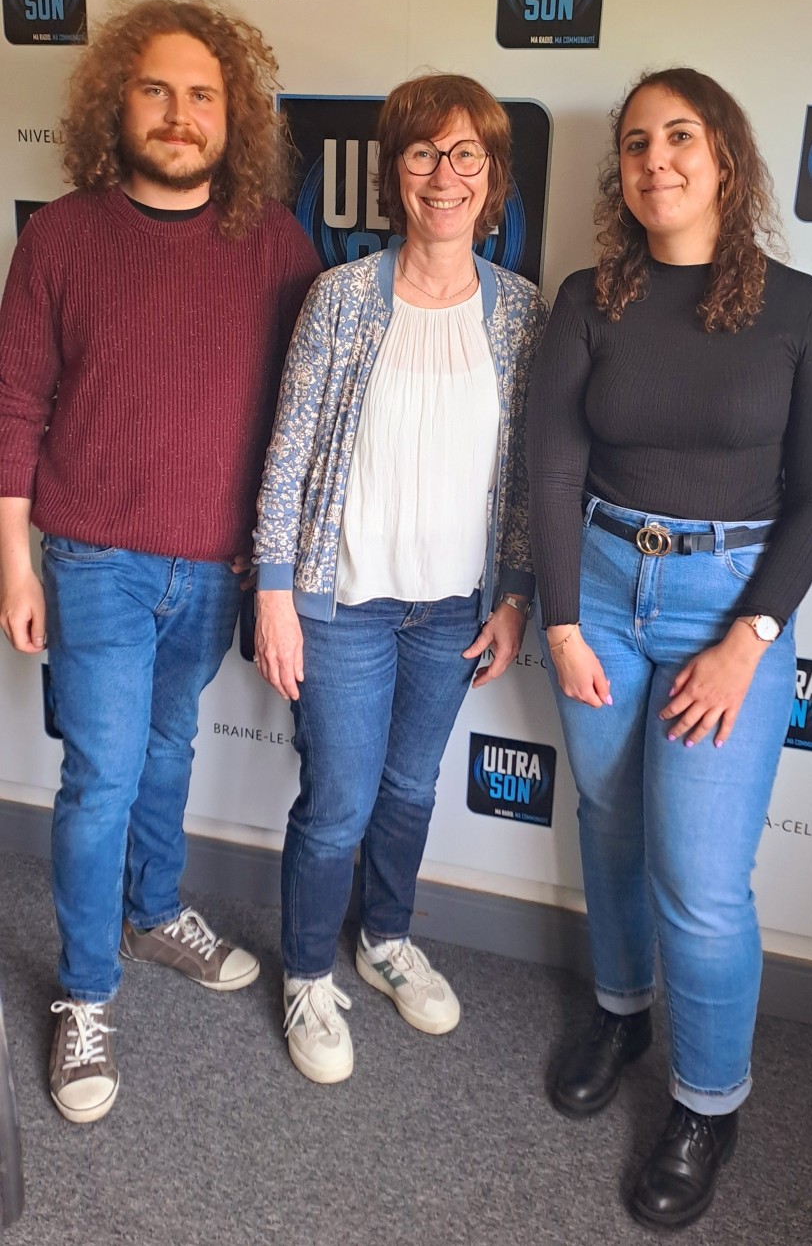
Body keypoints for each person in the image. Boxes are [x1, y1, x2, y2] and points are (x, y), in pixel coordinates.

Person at [527, 68, 812, 1229]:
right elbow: (551, 470)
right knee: (609, 824)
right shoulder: (587, 298)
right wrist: (560, 621)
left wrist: (745, 640)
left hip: (731, 605)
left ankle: (707, 1101)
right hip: (600, 591)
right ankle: (620, 1010)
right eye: (634, 143)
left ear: (723, 157)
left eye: (679, 137)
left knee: (702, 883)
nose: (654, 160)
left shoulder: (799, 308)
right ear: (617, 171)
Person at [0, 0, 321, 1123]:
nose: (179, 115)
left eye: (201, 95)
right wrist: (14, 561)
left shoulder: (276, 246)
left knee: (171, 746)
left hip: (214, 567)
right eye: (156, 90)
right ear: (116, 104)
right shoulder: (61, 237)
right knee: (101, 776)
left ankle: (151, 910)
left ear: (232, 117)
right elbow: (14, 405)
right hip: (95, 559)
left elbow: (306, 412)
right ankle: (86, 993)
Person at [254, 73, 549, 1084]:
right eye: (423, 153)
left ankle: (383, 938)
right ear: (394, 174)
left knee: (411, 789)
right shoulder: (339, 298)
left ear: (492, 178)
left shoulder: (520, 312)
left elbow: (525, 475)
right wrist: (274, 594)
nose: (444, 174)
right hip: (342, 605)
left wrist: (513, 594)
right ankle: (305, 972)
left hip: (451, 608)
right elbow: (288, 451)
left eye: (467, 154)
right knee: (337, 801)